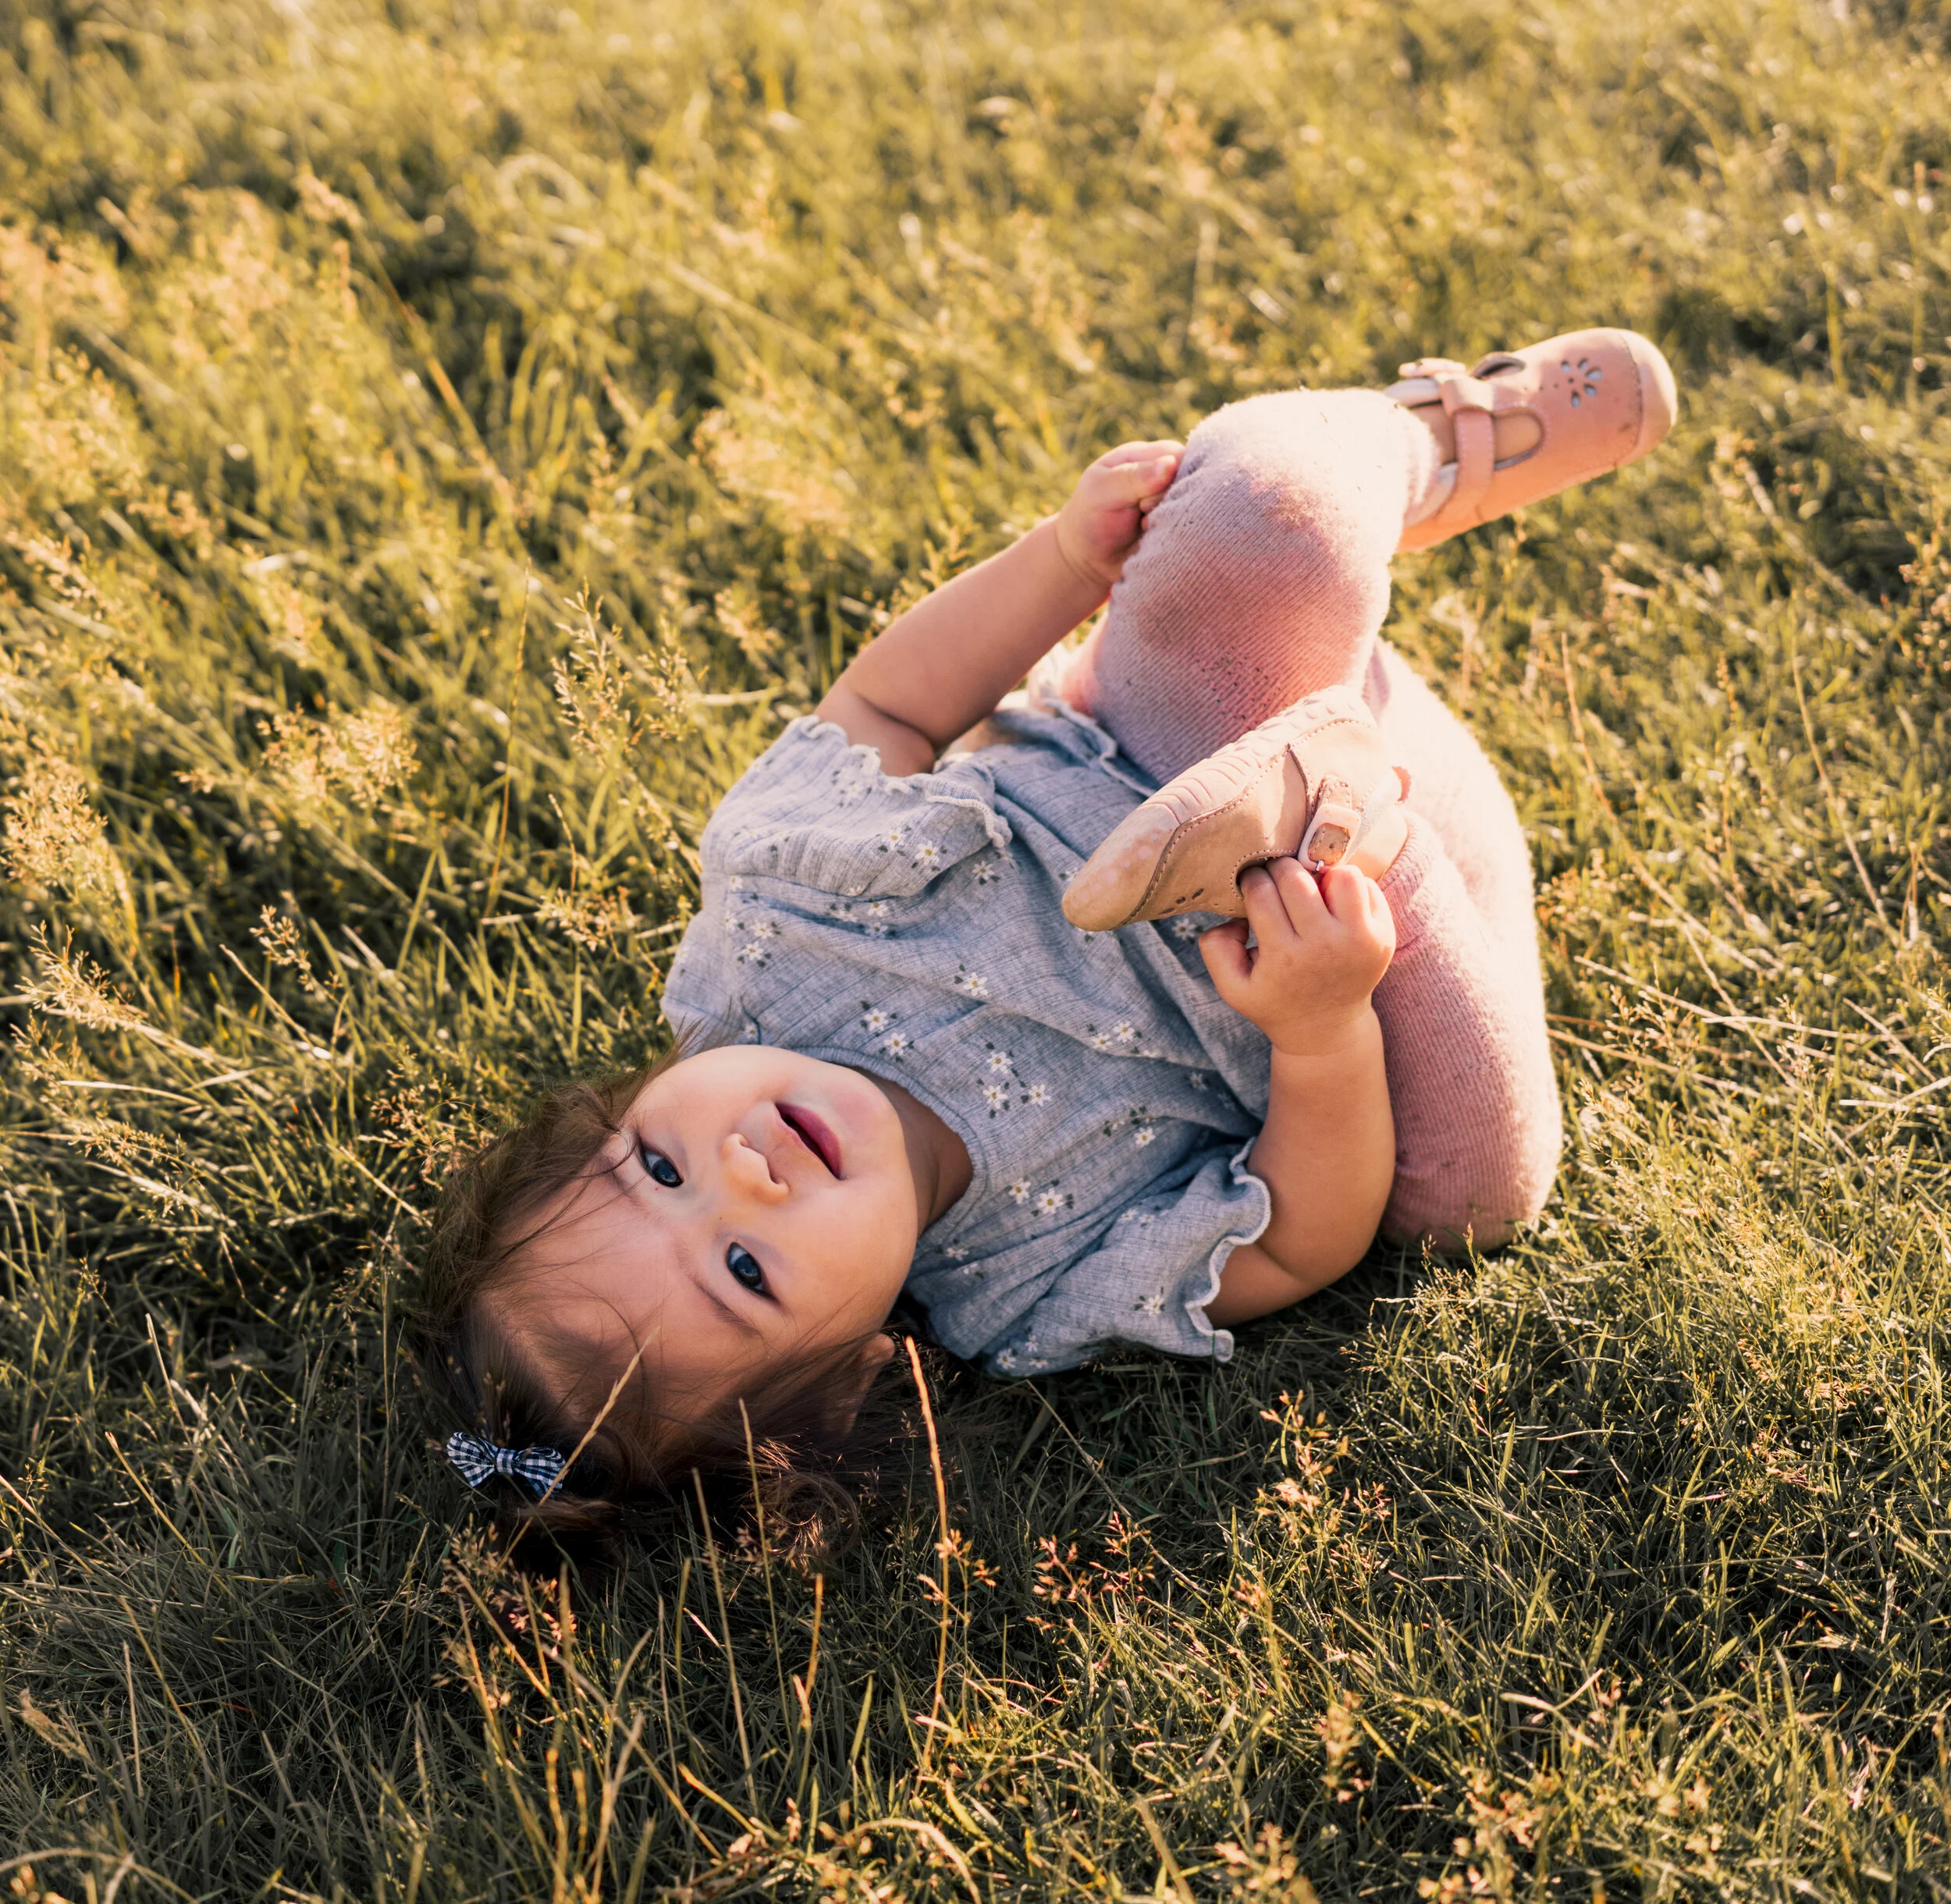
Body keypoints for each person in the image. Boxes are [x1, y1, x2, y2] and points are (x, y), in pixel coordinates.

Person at [416, 328, 1678, 1551]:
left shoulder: (767, 934)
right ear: (851, 1379)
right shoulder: (1028, 1294)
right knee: (1474, 1199)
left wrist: (1068, 560)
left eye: (656, 1166)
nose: (745, 1170)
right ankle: (1357, 819)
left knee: (1261, 504)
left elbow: (888, 706)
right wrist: (1323, 1027)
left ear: (613, 1110)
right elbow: (1298, 1235)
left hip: (1173, 718)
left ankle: (1423, 447)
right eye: (746, 1270)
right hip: (1387, 930)